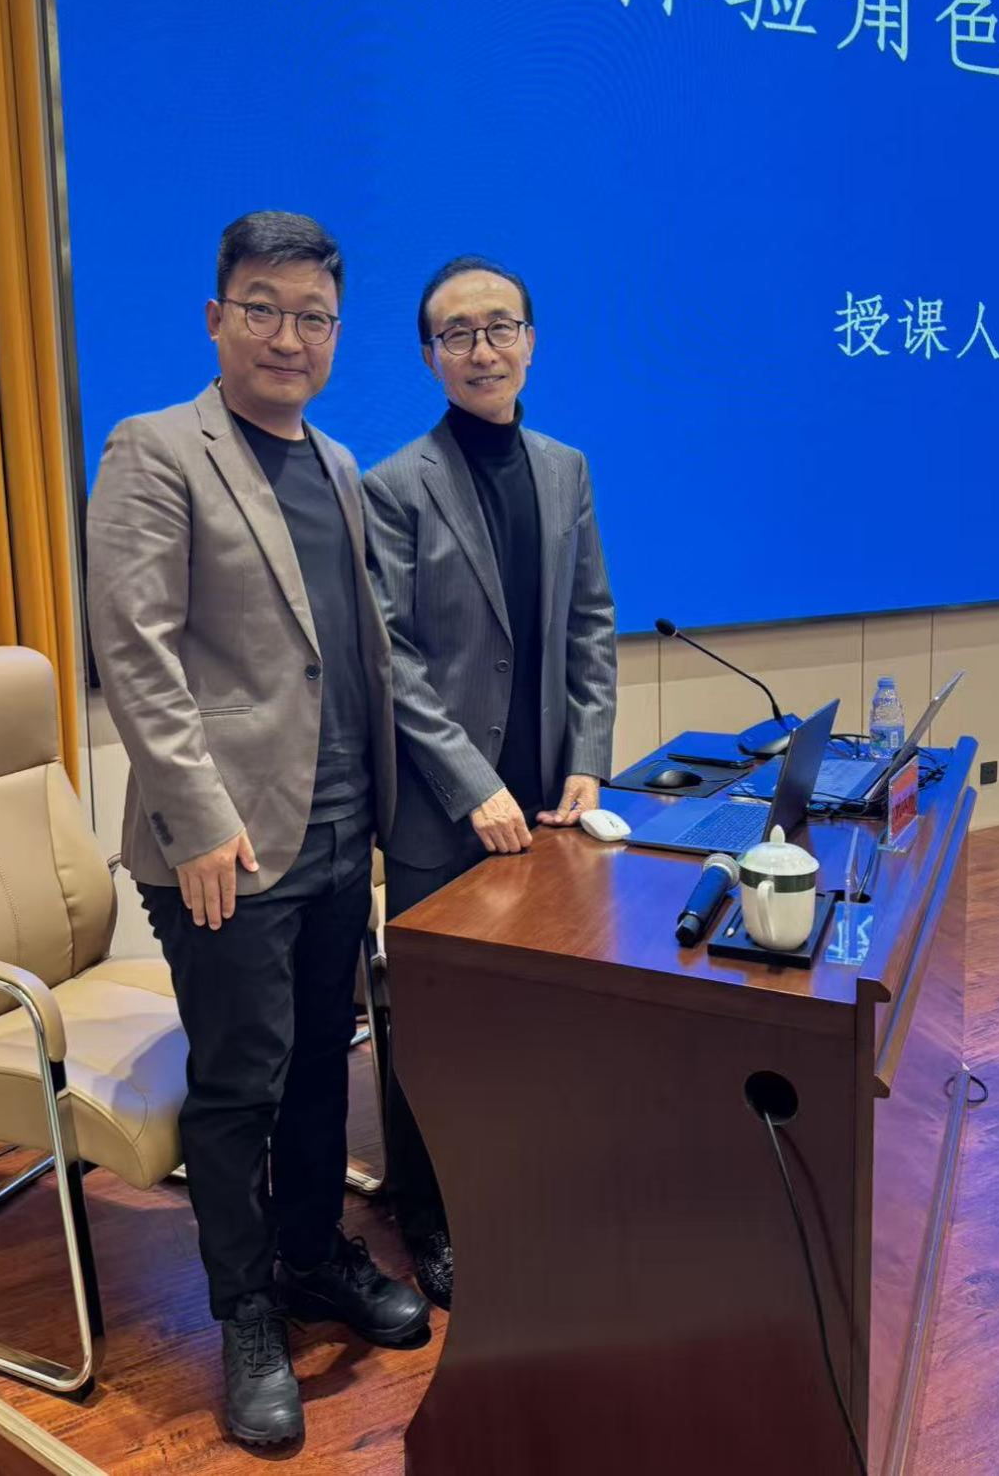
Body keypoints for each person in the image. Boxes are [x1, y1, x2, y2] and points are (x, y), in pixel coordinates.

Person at [87, 211, 428, 1449]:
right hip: (221, 843)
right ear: (216, 316)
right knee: (239, 1079)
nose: (290, 336)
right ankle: (242, 1313)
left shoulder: (335, 462)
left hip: (336, 828)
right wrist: (195, 821)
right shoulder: (154, 449)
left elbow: (348, 658)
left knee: (321, 1059)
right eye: (264, 308)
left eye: (314, 317)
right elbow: (136, 652)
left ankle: (311, 1254)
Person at [363, 254, 618, 1307]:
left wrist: (589, 760)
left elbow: (590, 626)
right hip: (442, 812)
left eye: (499, 327)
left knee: (530, 1016)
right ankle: (427, 1211)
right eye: (457, 333)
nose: (482, 349)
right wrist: (471, 782)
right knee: (435, 1028)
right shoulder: (394, 486)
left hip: (550, 807)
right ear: (430, 356)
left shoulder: (566, 469)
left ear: (530, 342)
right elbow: (389, 657)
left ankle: (516, 1180)